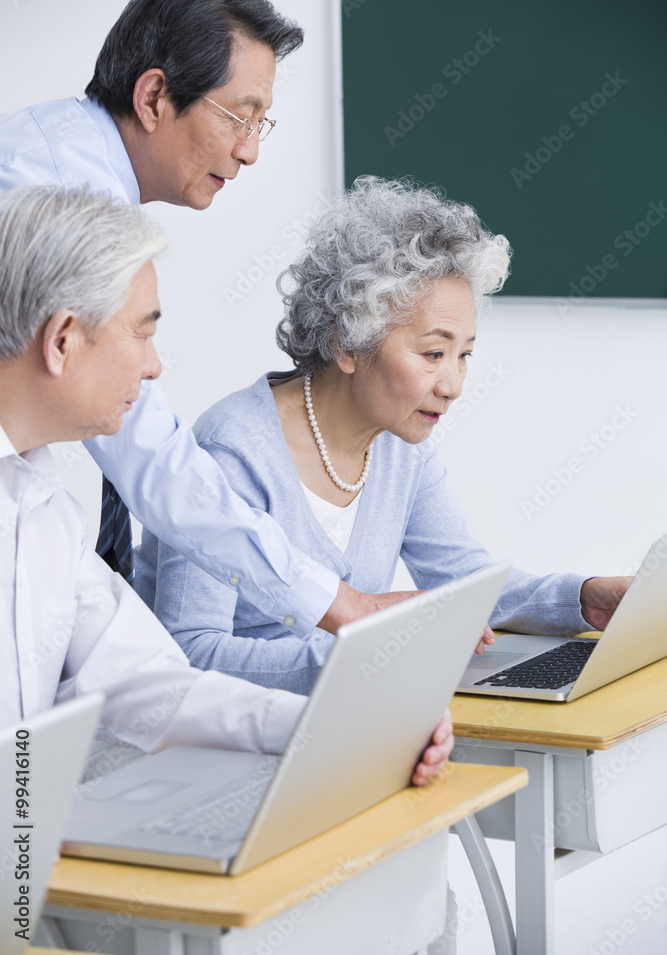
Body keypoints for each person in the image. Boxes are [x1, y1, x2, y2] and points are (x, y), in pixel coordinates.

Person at [0, 0, 406, 644]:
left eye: (261, 125)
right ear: (155, 95)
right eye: (238, 119)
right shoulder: (56, 196)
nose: (248, 152)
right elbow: (151, 459)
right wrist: (329, 600)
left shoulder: (71, 166)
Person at [0, 182, 451, 785]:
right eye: (141, 331)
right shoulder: (235, 439)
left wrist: (333, 728)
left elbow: (146, 686)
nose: (154, 365)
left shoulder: (43, 507)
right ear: (62, 342)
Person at [137, 177, 632, 694]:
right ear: (347, 344)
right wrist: (368, 653)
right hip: (228, 743)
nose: (454, 385)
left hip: (346, 724)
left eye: (464, 354)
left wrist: (584, 597)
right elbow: (192, 650)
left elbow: (466, 584)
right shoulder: (234, 450)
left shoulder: (399, 443)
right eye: (433, 354)